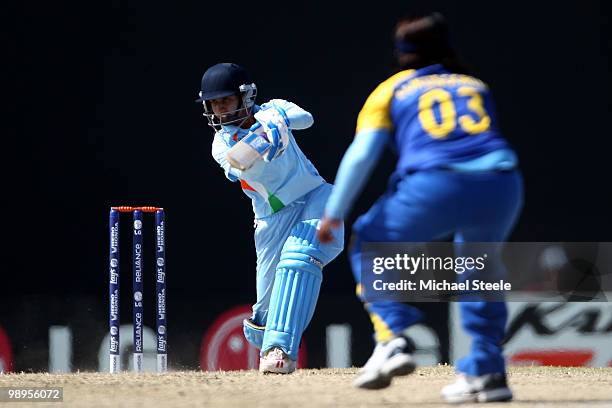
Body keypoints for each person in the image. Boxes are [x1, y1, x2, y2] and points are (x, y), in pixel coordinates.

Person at [317, 13, 523, 403]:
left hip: (437, 183)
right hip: (502, 182)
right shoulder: (474, 84)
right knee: (479, 266)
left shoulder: (392, 89)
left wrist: (334, 212)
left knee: (369, 243)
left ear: (400, 53)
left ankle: (393, 338)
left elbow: (362, 155)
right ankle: (488, 371)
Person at [196, 63, 344, 374]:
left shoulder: (273, 109)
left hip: (317, 196)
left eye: (226, 100)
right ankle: (267, 335)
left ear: (246, 97)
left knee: (299, 258)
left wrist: (276, 120)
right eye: (214, 103)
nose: (220, 109)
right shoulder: (221, 144)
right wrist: (265, 136)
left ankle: (279, 351)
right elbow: (244, 164)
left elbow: (307, 119)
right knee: (265, 311)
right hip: (272, 218)